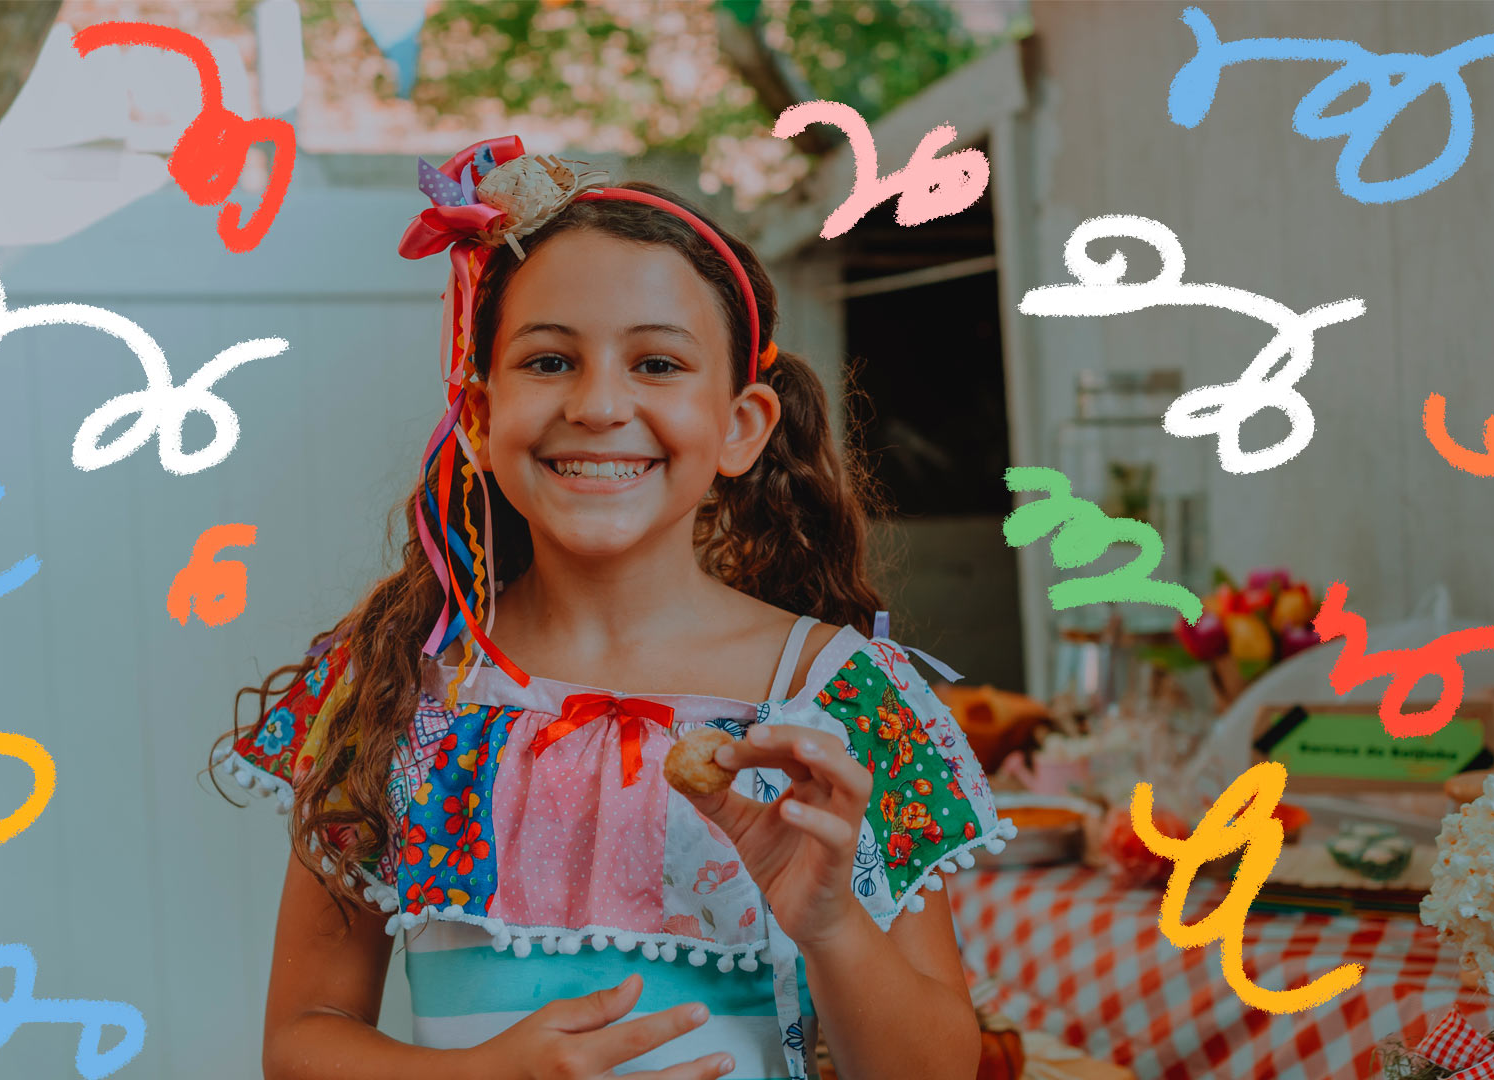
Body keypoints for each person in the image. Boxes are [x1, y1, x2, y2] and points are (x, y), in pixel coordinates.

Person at [215, 137, 1012, 1080]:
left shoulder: (836, 700)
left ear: (739, 426)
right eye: (549, 361)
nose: (598, 405)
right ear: (478, 417)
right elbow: (300, 1040)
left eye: (658, 365)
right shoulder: (393, 687)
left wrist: (830, 923)